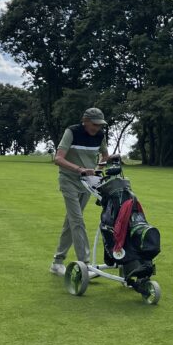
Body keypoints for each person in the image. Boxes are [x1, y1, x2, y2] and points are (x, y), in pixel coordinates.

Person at [49, 106, 113, 275]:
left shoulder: (100, 136)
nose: (97, 128)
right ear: (85, 121)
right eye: (94, 124)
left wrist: (97, 171)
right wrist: (80, 169)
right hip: (68, 180)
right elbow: (58, 159)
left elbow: (105, 156)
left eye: (99, 125)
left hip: (86, 183)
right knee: (77, 220)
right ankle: (85, 264)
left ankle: (57, 262)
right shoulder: (72, 132)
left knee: (71, 221)